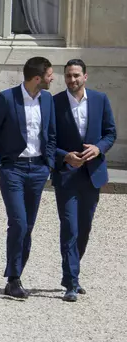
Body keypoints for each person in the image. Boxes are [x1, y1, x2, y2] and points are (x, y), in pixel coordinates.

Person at [0, 56, 56, 300]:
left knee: (28, 226)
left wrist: (49, 164)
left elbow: (51, 135)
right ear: (37, 78)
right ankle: (13, 278)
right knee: (19, 222)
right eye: (49, 75)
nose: (53, 78)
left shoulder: (48, 100)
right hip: (13, 169)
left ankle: (16, 276)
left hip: (38, 169)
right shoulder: (5, 99)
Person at [52, 59, 116, 302]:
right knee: (69, 227)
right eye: (68, 76)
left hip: (92, 175)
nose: (72, 80)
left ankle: (72, 271)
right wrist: (65, 156)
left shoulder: (100, 100)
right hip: (66, 175)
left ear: (85, 76)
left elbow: (110, 133)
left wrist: (99, 148)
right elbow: (47, 139)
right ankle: (71, 281)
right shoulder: (54, 103)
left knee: (84, 228)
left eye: (76, 75)